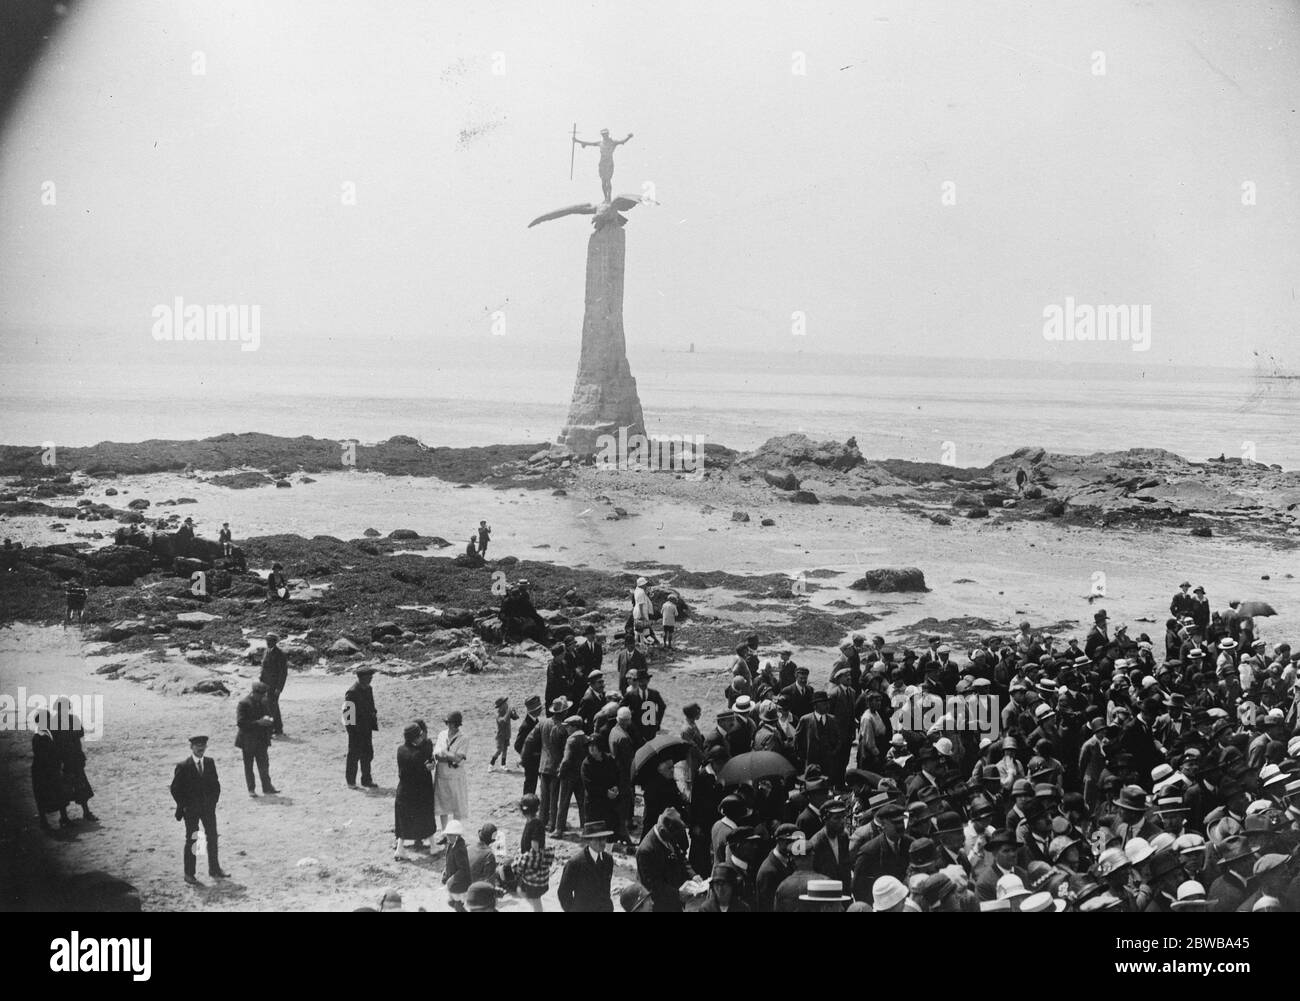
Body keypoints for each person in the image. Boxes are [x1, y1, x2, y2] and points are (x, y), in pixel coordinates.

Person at [169, 735, 225, 883]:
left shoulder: (210, 762)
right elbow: (175, 789)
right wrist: (184, 806)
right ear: (191, 747)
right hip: (191, 810)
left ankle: (215, 869)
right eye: (197, 746)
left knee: (212, 837)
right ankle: (189, 874)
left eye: (203, 746)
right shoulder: (183, 766)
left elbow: (216, 785)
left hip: (208, 809)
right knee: (193, 840)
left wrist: (212, 803)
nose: (200, 748)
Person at [394, 722, 436, 859]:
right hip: (419, 791)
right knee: (427, 816)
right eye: (419, 735)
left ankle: (400, 849)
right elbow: (425, 755)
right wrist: (429, 765)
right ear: (414, 738)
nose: (422, 737)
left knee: (403, 820)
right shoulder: (418, 753)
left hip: (404, 791)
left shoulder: (401, 750)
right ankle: (433, 846)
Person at [51, 697, 96, 822]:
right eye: (61, 708)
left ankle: (86, 812)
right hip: (64, 760)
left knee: (81, 786)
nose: (64, 710)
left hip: (75, 758)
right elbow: (54, 740)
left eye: (65, 707)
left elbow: (81, 732)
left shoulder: (72, 719)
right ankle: (64, 817)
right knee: (63, 789)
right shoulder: (55, 722)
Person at [558, 821, 616, 912]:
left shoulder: (608, 860)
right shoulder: (575, 864)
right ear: (588, 841)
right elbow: (563, 893)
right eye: (598, 839)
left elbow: (605, 889)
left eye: (604, 838)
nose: (602, 843)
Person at [235, 681, 277, 796]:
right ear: (254, 693)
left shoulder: (263, 701)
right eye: (261, 695)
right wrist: (258, 723)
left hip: (261, 739)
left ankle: (267, 787)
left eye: (264, 695)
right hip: (247, 740)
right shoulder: (244, 703)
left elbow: (269, 715)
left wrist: (269, 720)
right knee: (249, 766)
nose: (263, 697)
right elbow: (241, 723)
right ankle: (251, 789)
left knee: (264, 764)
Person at [31, 710, 70, 831]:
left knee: (57, 793)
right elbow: (43, 755)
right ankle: (45, 822)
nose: (49, 721)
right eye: (47, 719)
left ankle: (63, 818)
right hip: (44, 771)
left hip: (47, 769)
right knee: (45, 795)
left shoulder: (45, 732)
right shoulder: (39, 736)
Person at [574, 127, 633, 202]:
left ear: (608, 134)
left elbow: (622, 141)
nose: (604, 135)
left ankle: (609, 197)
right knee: (603, 182)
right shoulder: (600, 143)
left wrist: (628, 137)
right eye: (603, 134)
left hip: (609, 163)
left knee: (608, 180)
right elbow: (589, 143)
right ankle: (605, 198)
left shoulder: (613, 142)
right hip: (602, 163)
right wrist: (577, 141)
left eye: (605, 134)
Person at [433, 711, 469, 834]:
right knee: (442, 804)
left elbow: (458, 758)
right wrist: (450, 756)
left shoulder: (463, 738)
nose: (450, 726)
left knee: (457, 805)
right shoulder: (442, 735)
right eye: (448, 723)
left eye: (452, 723)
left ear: (457, 724)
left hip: (456, 776)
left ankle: (455, 833)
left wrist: (445, 753)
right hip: (442, 774)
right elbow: (437, 755)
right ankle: (444, 832)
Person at [343, 666, 378, 787]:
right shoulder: (352, 692)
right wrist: (352, 732)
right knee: (354, 755)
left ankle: (366, 780)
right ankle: (351, 781)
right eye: (369, 677)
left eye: (371, 677)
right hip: (355, 730)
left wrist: (373, 714)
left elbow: (371, 705)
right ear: (362, 678)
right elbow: (347, 716)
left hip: (366, 727)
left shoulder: (368, 689)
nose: (371, 680)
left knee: (368, 754)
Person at [516, 794, 549, 911]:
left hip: (532, 864)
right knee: (522, 891)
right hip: (531, 863)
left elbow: (535, 847)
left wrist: (522, 860)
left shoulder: (535, 824)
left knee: (534, 897)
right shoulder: (531, 821)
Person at [260, 632, 288, 737]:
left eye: (270, 641)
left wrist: (279, 688)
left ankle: (276, 729)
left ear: (275, 642)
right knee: (270, 706)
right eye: (267, 640)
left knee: (272, 707)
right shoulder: (266, 652)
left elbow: (283, 673)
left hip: (274, 686)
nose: (268, 642)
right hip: (265, 684)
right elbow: (263, 669)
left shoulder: (280, 654)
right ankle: (276, 728)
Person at [515, 694, 544, 795]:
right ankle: (526, 802)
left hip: (537, 760)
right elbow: (517, 745)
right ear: (533, 710)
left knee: (536, 783)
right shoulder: (526, 725)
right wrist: (529, 755)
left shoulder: (535, 721)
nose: (541, 710)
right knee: (530, 783)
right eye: (539, 708)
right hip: (531, 762)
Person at [441, 819, 471, 910]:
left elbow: (463, 869)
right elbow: (449, 860)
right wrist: (445, 872)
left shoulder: (460, 849)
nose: (448, 837)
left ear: (457, 835)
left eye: (451, 835)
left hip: (460, 883)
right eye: (447, 834)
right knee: (451, 902)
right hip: (453, 881)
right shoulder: (451, 844)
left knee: (458, 905)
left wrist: (452, 879)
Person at [489, 696, 518, 771]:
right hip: (500, 736)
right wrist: (509, 711)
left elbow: (515, 717)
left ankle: (503, 765)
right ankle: (491, 764)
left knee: (505, 749)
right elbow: (504, 720)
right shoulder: (498, 714)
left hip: (507, 734)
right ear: (501, 706)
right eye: (505, 703)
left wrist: (514, 712)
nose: (506, 704)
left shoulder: (506, 711)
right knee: (499, 750)